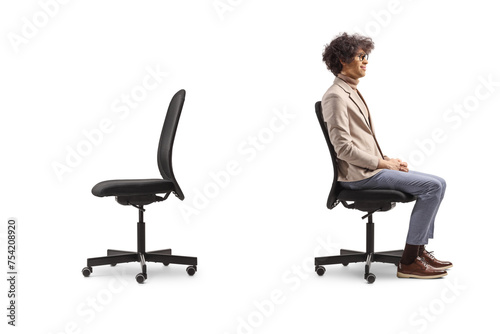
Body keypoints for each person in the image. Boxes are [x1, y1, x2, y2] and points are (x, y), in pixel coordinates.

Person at [321, 32, 452, 279]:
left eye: (366, 56)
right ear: (342, 59)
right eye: (361, 56)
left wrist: (388, 161)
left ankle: (420, 251)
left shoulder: (350, 91)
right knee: (432, 187)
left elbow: (359, 142)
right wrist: (383, 164)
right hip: (359, 177)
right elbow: (343, 149)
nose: (366, 61)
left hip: (370, 169)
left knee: (439, 183)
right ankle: (410, 261)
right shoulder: (336, 96)